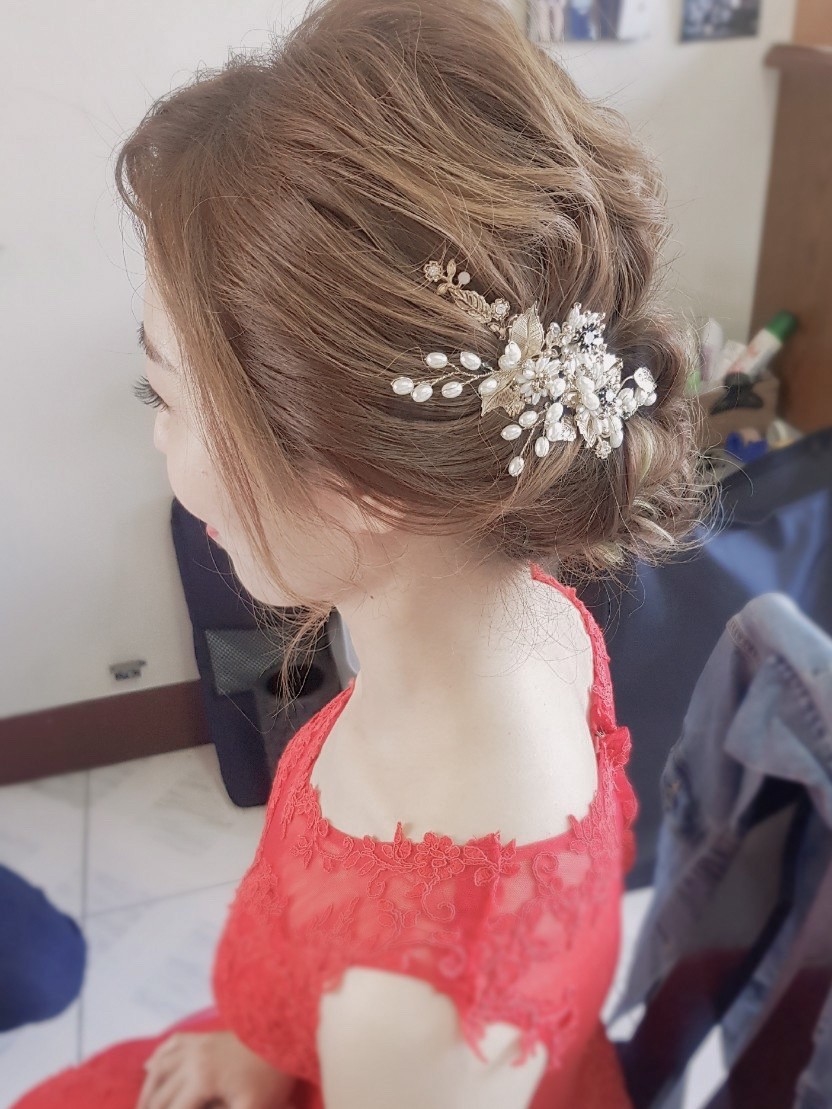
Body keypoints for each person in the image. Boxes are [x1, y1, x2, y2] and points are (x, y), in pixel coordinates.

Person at [13, 0, 711, 1105]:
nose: (157, 444)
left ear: (366, 485)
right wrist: (264, 1041)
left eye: (166, 397)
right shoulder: (528, 619)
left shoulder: (413, 1021)